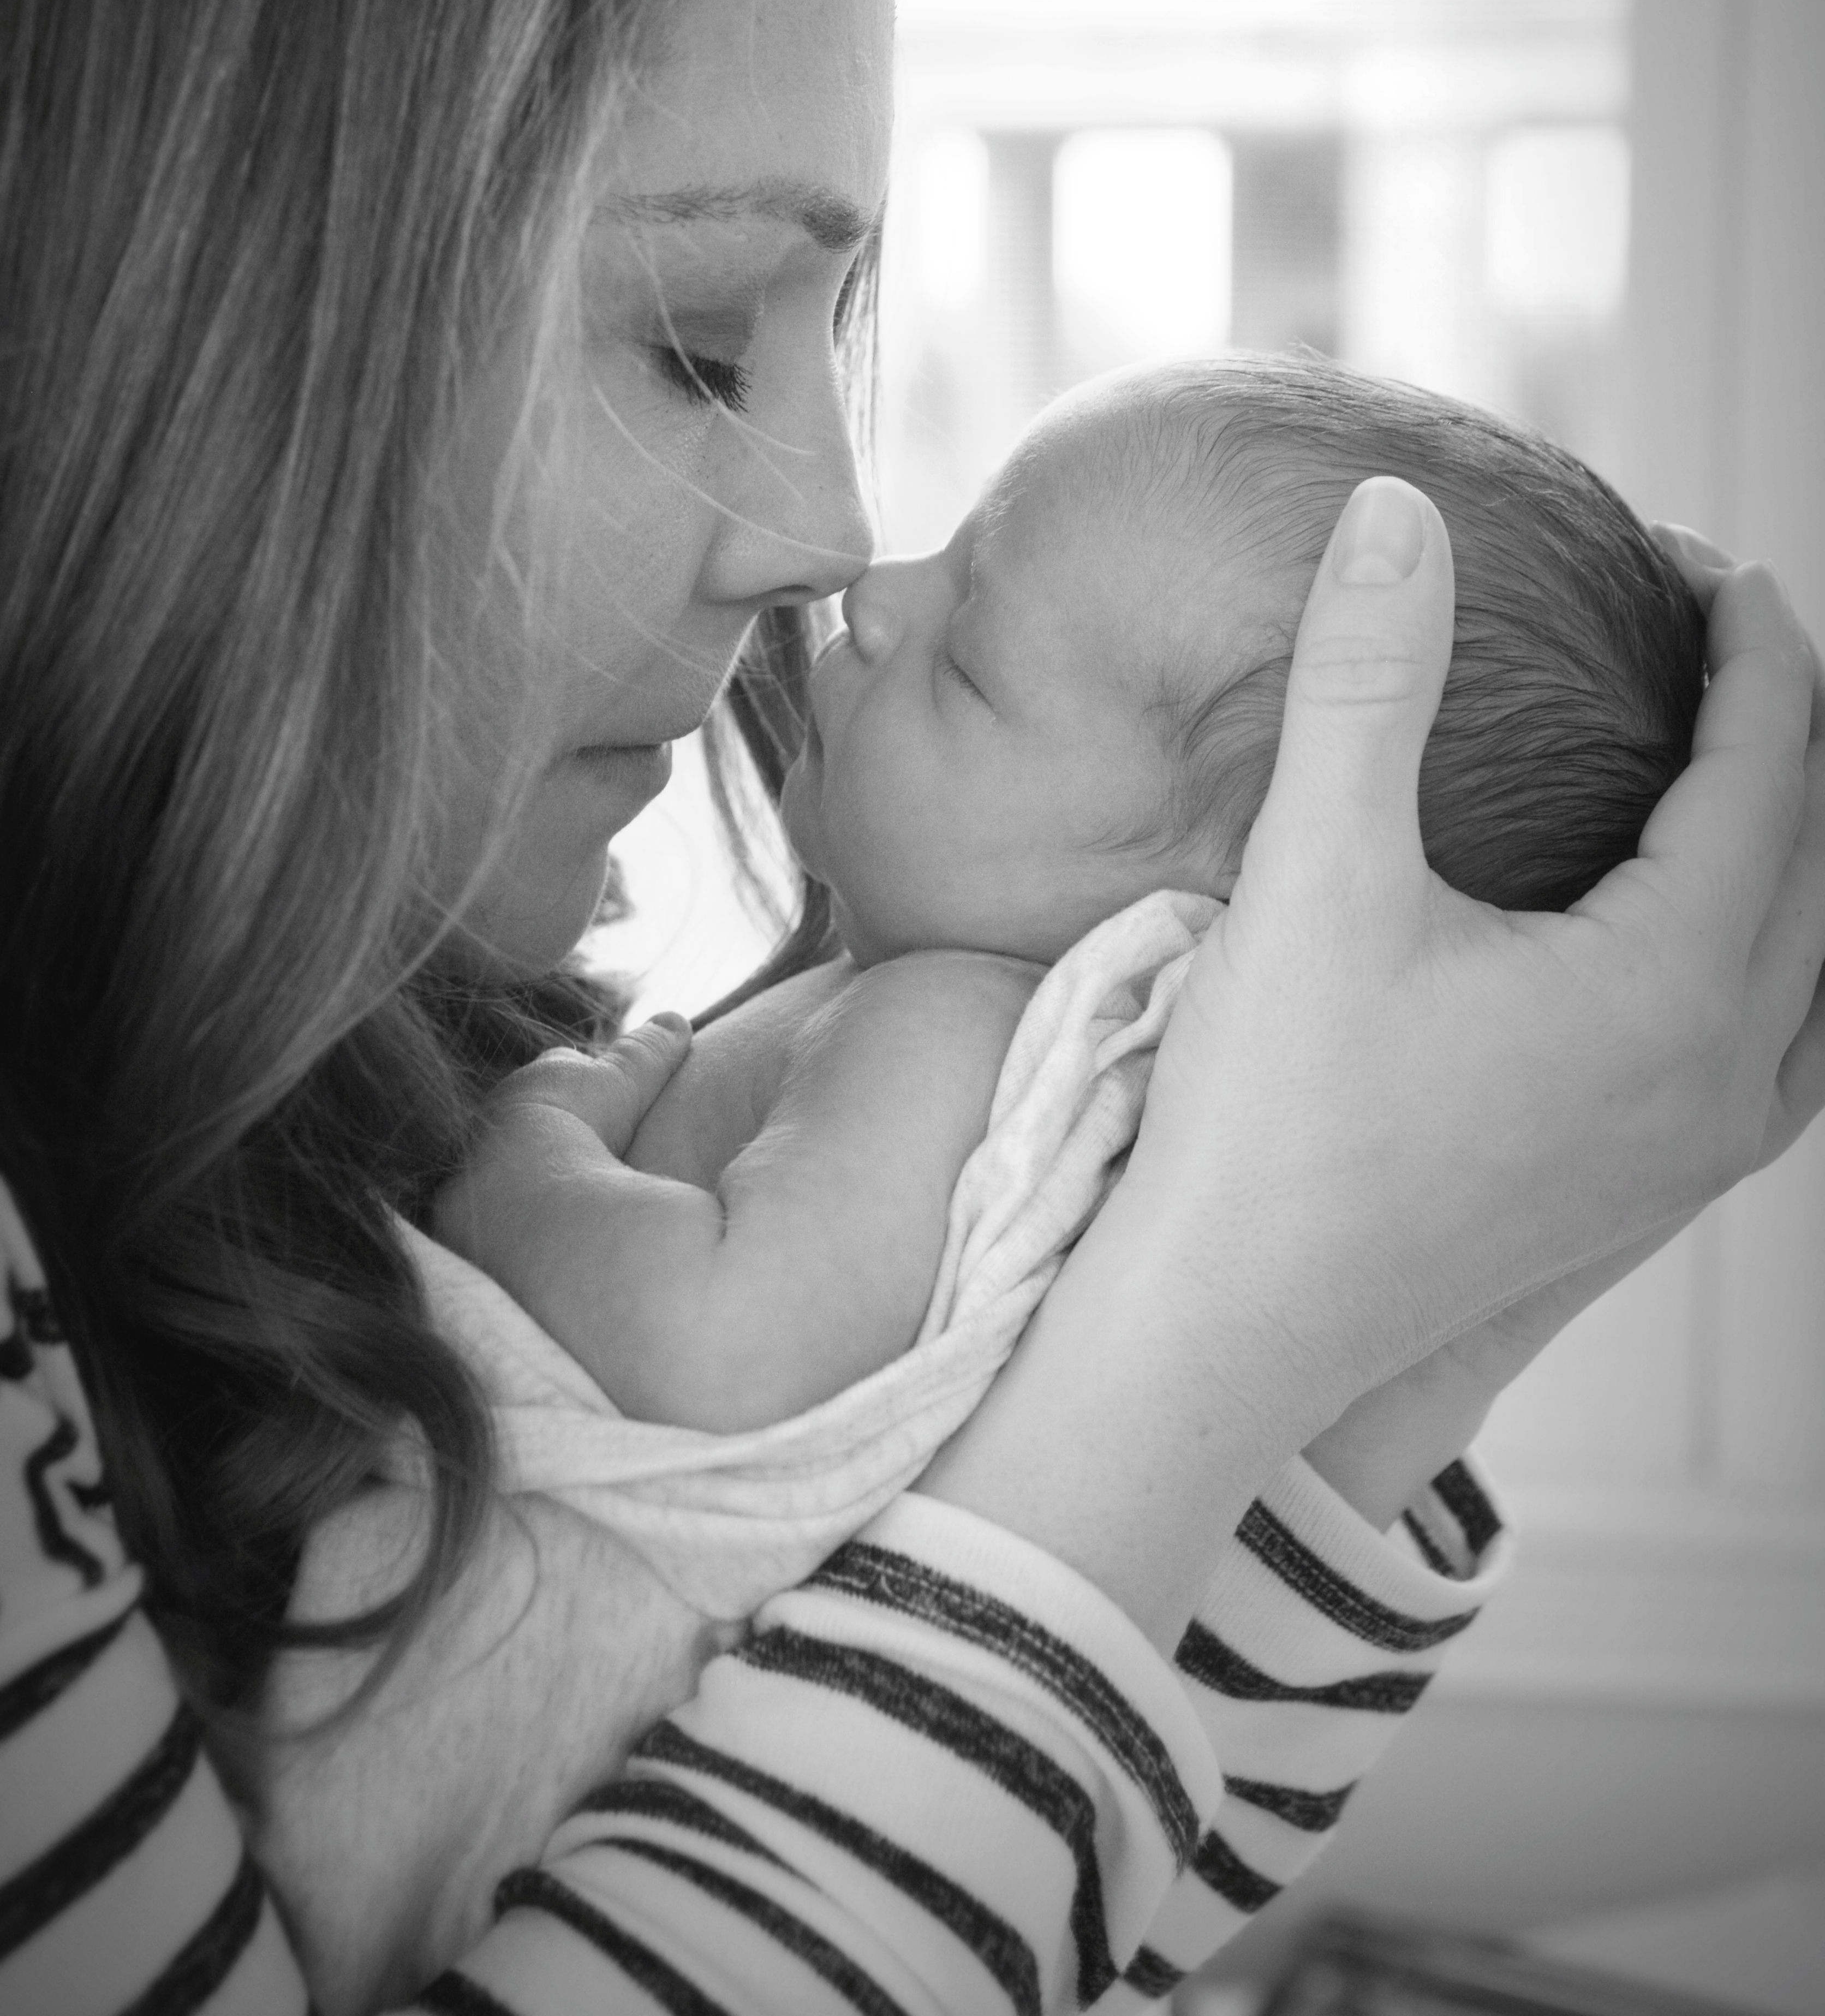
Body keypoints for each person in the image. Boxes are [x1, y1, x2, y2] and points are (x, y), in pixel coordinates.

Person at [2, 0, 1822, 2016]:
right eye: (697, 330)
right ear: (176, 287)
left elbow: (1000, 1947)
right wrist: (1200, 1347)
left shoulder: (384, 1052)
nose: (826, 534)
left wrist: (1428, 1302)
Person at [432, 355, 1708, 1438]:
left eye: (968, 663)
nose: (870, 596)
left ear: (1255, 906)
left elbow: (721, 1366)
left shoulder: (947, 1030)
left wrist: (525, 1164)